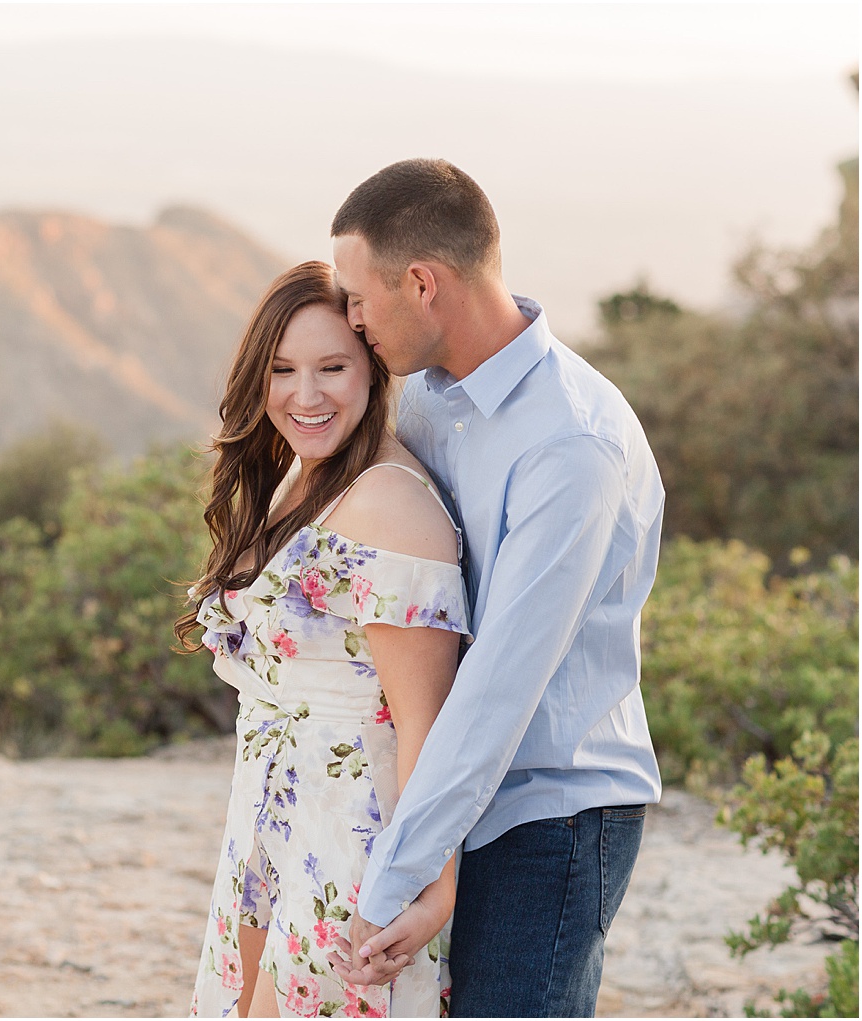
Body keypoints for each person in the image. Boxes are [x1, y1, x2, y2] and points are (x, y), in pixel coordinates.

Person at [324, 158, 665, 1017]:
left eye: (359, 298)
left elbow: (499, 683)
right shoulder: (432, 404)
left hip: (552, 818)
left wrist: (398, 873)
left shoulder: (570, 445)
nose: (353, 321)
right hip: (456, 804)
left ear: (422, 283)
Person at [180, 260, 471, 1018]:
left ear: (373, 368)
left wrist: (430, 890)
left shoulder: (389, 506)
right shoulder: (303, 478)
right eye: (282, 370)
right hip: (268, 825)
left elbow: (425, 728)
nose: (305, 396)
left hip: (348, 842)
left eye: (332, 367)